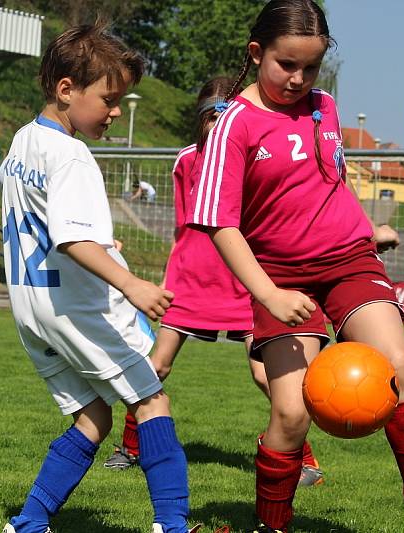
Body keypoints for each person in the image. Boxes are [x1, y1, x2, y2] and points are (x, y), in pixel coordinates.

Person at [189, 2, 404, 532]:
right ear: (256, 53)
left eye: (309, 68)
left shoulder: (326, 107)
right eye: (285, 64)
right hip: (280, 279)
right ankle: (272, 525)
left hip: (347, 262)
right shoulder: (232, 125)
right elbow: (221, 226)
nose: (297, 79)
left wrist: (367, 229)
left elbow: (328, 184)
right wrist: (268, 296)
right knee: (291, 413)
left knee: (401, 371)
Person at [0, 23, 199, 533]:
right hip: (81, 304)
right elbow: (71, 238)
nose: (114, 111)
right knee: (151, 399)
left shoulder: (24, 141)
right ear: (66, 90)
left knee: (93, 417)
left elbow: (37, 218)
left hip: (31, 308)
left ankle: (30, 522)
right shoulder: (72, 155)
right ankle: (172, 525)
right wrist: (130, 283)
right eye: (109, 99)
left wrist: (104, 247)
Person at [104, 77, 324, 488]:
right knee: (157, 365)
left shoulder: (252, 153)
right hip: (191, 282)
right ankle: (131, 446)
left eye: (225, 116)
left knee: (265, 375)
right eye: (211, 116)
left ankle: (302, 457)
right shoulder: (187, 159)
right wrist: (174, 274)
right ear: (202, 119)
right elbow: (188, 224)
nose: (218, 124)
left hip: (243, 283)